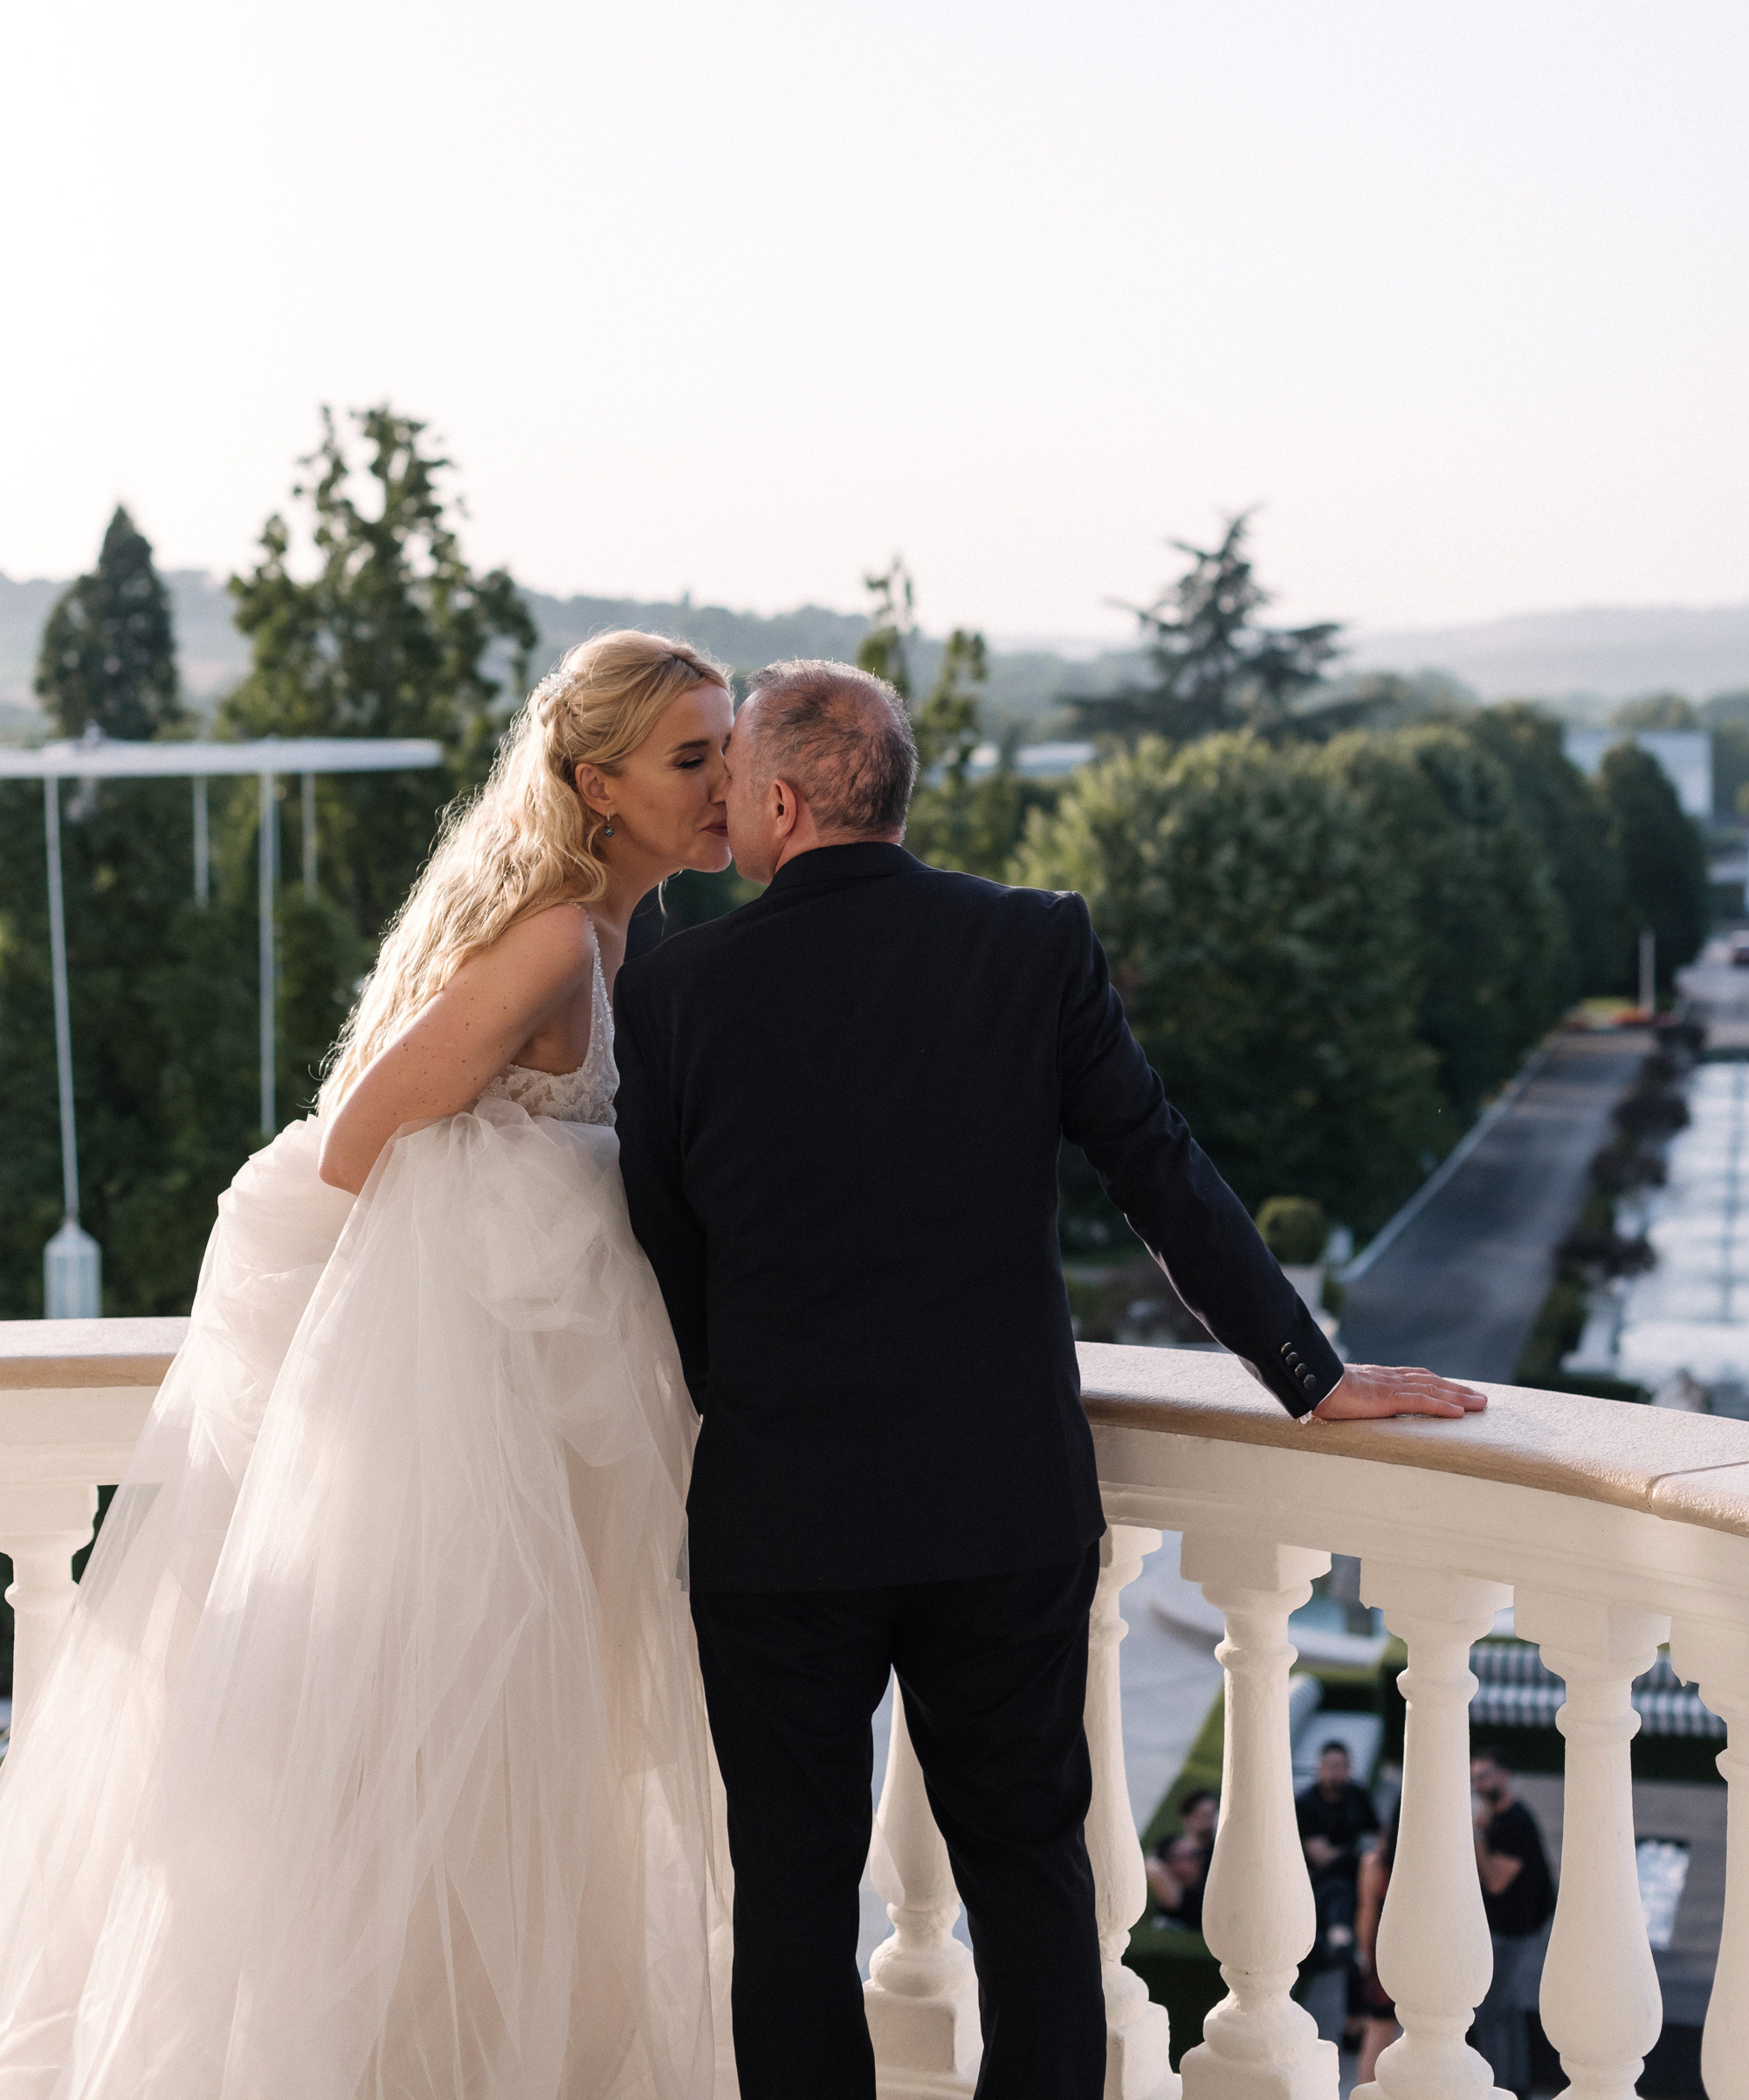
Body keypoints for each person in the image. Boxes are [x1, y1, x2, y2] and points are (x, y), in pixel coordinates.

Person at [613, 657, 1488, 2100]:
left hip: (783, 1510)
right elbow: (1160, 1170)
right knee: (1029, 1880)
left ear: (775, 800)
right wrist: (1303, 1369)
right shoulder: (1031, 943)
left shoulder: (676, 991)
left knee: (787, 1893)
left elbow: (669, 1245)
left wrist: (755, 1385)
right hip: (999, 1500)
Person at [0, 632, 739, 2100]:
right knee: (441, 1766)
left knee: (528, 1783)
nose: (728, 781)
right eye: (691, 758)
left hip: (545, 1421)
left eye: (726, 749)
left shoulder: (615, 937)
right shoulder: (546, 938)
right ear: (597, 784)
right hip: (467, 1435)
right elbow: (354, 1146)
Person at [1468, 1749, 1554, 2100]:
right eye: (1476, 1778)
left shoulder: (1515, 1824)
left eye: (1487, 1775)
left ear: (1504, 1775)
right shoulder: (1503, 1821)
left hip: (1512, 1934)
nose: (1481, 1784)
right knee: (1506, 2012)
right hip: (1509, 1931)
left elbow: (1495, 1882)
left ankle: (1495, 2088)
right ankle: (1515, 2087)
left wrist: (1474, 1836)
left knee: (1490, 2014)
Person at [1294, 1740, 1379, 2041]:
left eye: (1342, 1766)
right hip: (1318, 1887)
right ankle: (1340, 1936)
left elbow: (1376, 1833)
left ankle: (1354, 2029)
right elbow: (1320, 1857)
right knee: (1340, 1889)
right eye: (1330, 1766)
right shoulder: (1305, 1804)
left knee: (1358, 1949)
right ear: (1319, 1768)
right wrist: (1356, 1855)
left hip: (1356, 1883)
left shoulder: (1355, 1794)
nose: (1336, 1773)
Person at [1353, 1800, 1401, 2081]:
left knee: (1377, 2033)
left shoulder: (1375, 1862)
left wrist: (1364, 1956)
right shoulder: (1438, 1863)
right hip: (1424, 1958)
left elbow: (1366, 1915)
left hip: (1383, 1958)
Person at [1145, 1835, 1209, 1931]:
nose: (1200, 1860)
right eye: (1192, 1856)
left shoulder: (1204, 1882)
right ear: (1171, 1863)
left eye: (1199, 1854)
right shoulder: (1177, 1898)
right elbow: (1152, 1868)